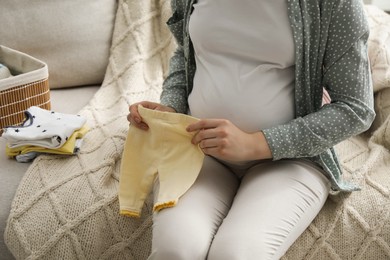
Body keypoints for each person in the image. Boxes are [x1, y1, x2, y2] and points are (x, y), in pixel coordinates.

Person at [127, 0, 375, 259]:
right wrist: (170, 107)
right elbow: (187, 54)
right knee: (174, 252)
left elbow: (355, 108)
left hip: (290, 162)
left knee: (235, 255)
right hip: (198, 150)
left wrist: (253, 143)